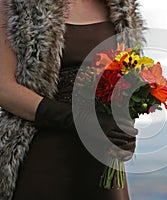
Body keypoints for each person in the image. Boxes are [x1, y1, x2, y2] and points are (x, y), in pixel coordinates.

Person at [0, 0, 144, 199]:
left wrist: (122, 131)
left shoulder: (121, 8)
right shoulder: (17, 4)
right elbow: (4, 89)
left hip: (100, 154)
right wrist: (81, 121)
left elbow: (125, 80)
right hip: (44, 150)